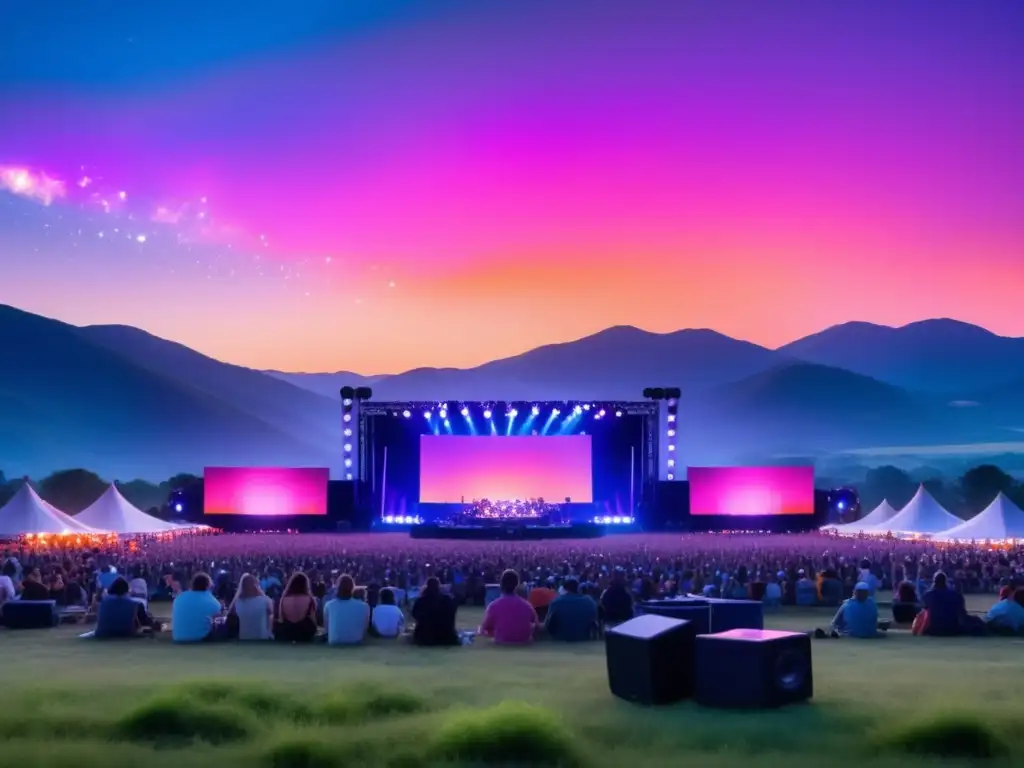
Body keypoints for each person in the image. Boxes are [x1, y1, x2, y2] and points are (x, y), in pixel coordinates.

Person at [479, 569, 538, 644]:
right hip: (523, 641)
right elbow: (537, 626)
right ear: (517, 585)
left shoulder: (493, 606)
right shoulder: (527, 606)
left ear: (501, 585)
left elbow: (484, 629)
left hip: (501, 641)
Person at [171, 572, 223, 643]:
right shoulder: (212, 601)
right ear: (208, 586)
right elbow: (218, 616)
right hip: (201, 637)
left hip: (178, 637)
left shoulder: (179, 598)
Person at [411, 577, 459, 646]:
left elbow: (415, 615)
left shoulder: (421, 601)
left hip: (425, 638)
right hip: (447, 637)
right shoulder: (447, 600)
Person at [324, 574, 370, 645]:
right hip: (356, 640)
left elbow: (327, 628)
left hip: (334, 640)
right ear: (352, 588)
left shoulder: (328, 605)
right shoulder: (364, 606)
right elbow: (364, 629)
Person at [275, 572, 319, 643]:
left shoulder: (284, 599)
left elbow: (281, 618)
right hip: (304, 631)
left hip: (287, 631)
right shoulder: (309, 599)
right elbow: (312, 618)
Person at [922, 571, 969, 636]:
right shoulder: (956, 595)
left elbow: (924, 611)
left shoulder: (928, 595)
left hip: (934, 629)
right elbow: (962, 613)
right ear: (945, 582)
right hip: (953, 629)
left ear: (934, 582)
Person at [229, 573, 274, 641]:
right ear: (256, 586)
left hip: (243, 638)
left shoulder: (238, 602)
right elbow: (271, 611)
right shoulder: (265, 600)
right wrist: (261, 592)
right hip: (262, 638)